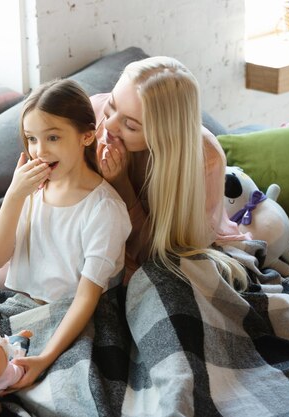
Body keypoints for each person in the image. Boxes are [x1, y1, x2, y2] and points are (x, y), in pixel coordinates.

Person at [0, 78, 132, 390]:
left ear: (86, 136)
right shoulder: (31, 191)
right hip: (19, 313)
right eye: (32, 139)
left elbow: (87, 298)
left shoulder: (104, 209)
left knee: (69, 386)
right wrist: (14, 196)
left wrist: (44, 359)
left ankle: (7, 372)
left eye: (52, 137)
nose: (39, 150)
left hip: (73, 321)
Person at [91, 55, 249, 288]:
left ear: (164, 134)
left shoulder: (204, 158)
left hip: (163, 250)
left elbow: (166, 256)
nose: (111, 125)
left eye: (131, 125)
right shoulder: (92, 113)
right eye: (112, 105)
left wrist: (121, 184)